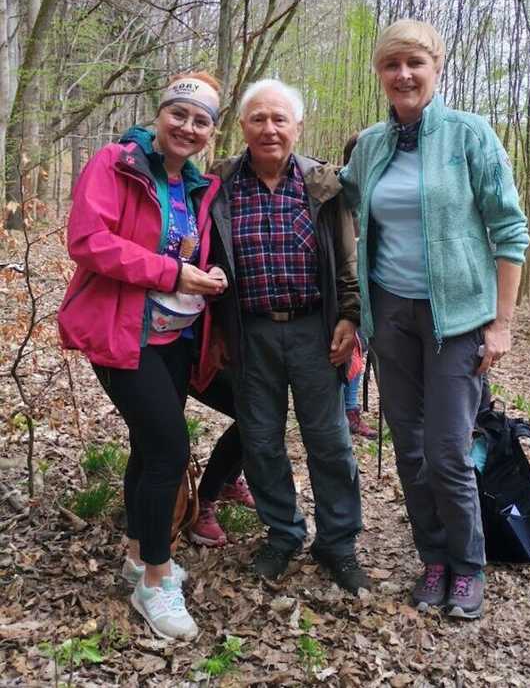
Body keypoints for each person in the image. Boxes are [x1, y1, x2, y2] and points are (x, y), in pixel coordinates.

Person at [340, 20, 529, 619]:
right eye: (392, 64)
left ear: (437, 66)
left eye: (414, 63)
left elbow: (510, 230)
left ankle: (469, 566)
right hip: (390, 313)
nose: (403, 75)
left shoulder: (470, 135)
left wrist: (501, 323)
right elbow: (338, 193)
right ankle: (435, 558)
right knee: (411, 450)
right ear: (380, 73)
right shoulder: (371, 144)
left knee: (448, 450)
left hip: (458, 320)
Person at [58, 72, 228, 639]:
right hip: (119, 332)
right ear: (160, 114)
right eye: (179, 113)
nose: (188, 127)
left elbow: (190, 255)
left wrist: (206, 273)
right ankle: (155, 581)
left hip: (175, 337)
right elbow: (89, 241)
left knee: (148, 446)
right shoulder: (115, 162)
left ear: (210, 131)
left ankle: (138, 549)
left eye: (201, 120)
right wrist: (173, 270)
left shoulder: (197, 187)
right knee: (168, 449)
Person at [202, 78, 371, 594]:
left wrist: (350, 317)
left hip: (315, 331)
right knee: (261, 441)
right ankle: (282, 533)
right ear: (243, 127)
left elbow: (348, 260)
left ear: (297, 126)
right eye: (258, 119)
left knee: (329, 442)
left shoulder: (323, 184)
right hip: (250, 333)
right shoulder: (220, 183)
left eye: (280, 119)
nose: (269, 129)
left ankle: (338, 544)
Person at [188, 370, 256, 547]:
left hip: (234, 359)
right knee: (253, 412)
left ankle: (229, 483)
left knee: (257, 413)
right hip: (190, 359)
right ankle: (203, 502)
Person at [341, 132, 376, 440]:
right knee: (351, 347)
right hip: (345, 287)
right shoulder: (340, 195)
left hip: (375, 285)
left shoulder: (377, 192)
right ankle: (347, 409)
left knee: (360, 348)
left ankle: (350, 409)